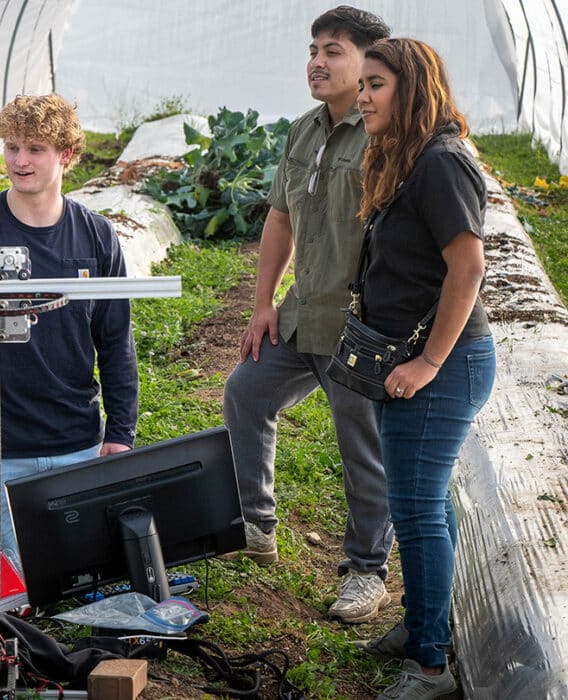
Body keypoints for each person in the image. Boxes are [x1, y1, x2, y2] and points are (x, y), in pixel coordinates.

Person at [0, 93, 138, 568]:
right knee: (1, 592)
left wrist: (120, 433)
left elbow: (116, 342)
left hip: (75, 443)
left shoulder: (96, 237)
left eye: (35, 148)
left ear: (66, 156)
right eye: (11, 147)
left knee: (77, 579)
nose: (19, 160)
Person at [222, 6, 395, 624]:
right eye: (313, 49)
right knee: (246, 391)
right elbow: (281, 217)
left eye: (334, 50)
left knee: (361, 446)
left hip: (359, 326)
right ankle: (255, 524)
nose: (317, 61)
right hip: (301, 314)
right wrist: (264, 302)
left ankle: (367, 568)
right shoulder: (303, 130)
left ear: (371, 63)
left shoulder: (384, 133)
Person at [348, 37, 494, 700]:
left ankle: (430, 665)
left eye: (376, 84)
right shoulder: (408, 159)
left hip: (443, 363)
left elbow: (468, 266)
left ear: (412, 87)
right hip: (409, 358)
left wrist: (431, 360)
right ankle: (425, 626)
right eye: (363, 86)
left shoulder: (440, 162)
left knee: (414, 508)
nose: (363, 95)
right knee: (425, 504)